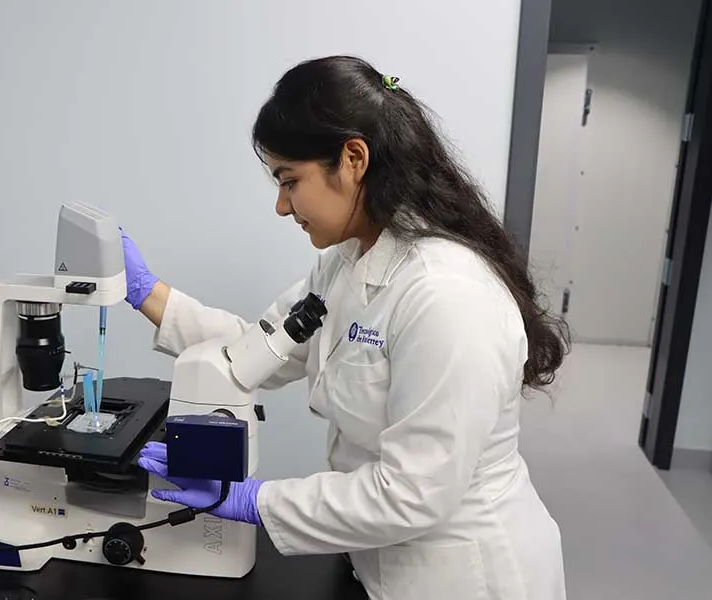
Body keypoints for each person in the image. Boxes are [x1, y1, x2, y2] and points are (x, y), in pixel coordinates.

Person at [127, 55, 569, 600]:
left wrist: (254, 500)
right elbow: (256, 350)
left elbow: (411, 494)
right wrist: (146, 293)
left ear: (353, 158)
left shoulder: (447, 295)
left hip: (461, 577)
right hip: (376, 560)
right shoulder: (347, 262)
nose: (281, 206)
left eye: (290, 181)